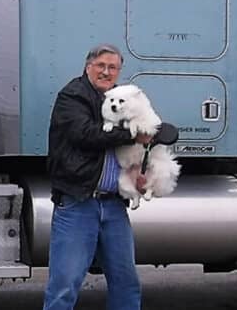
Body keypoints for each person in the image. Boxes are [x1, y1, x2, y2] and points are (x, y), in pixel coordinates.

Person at [43, 44, 152, 310]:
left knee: (126, 283)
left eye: (112, 67)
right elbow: (86, 135)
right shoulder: (73, 95)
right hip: (79, 203)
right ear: (88, 66)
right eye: (100, 65)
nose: (106, 71)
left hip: (114, 205)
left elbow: (138, 147)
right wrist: (132, 133)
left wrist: (141, 173)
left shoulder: (121, 98)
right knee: (64, 286)